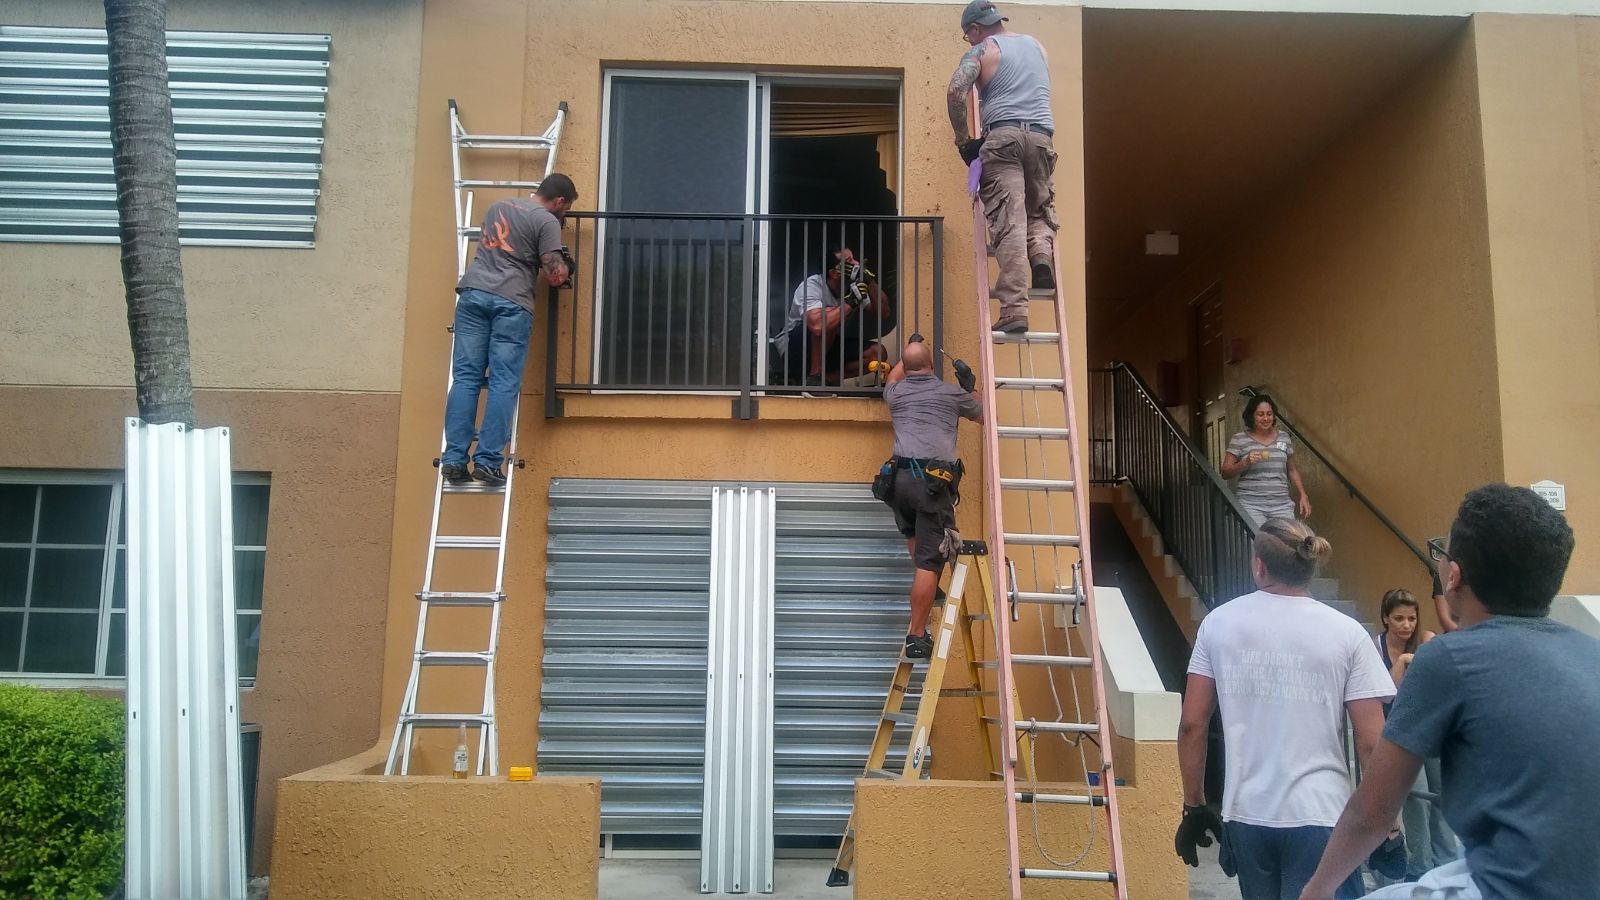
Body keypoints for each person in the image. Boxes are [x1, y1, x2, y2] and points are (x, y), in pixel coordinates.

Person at [1300, 484, 1600, 900]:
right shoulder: (1592, 651)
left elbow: (1372, 813)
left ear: (1453, 575)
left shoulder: (1448, 657)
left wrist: (1316, 889)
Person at [1175, 518, 1393, 900]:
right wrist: (1385, 825)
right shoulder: (1347, 632)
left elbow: (1193, 724)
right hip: (1321, 816)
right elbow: (1372, 743)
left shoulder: (1218, 624)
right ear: (1311, 565)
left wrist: (1193, 806)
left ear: (1259, 565)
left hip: (1246, 816)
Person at [440, 174, 577, 488]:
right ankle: (487, 462)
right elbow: (555, 275)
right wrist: (567, 265)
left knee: (466, 378)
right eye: (566, 210)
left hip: (473, 295)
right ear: (560, 202)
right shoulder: (547, 221)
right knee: (503, 383)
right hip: (510, 303)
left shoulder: (497, 206)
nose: (563, 215)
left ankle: (454, 459)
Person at [947, 0, 1057, 335]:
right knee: (1037, 209)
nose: (968, 41)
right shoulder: (1036, 45)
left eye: (967, 35)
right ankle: (1041, 260)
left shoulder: (982, 51)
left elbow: (955, 92)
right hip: (1041, 138)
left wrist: (964, 141)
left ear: (976, 29)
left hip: (1004, 138)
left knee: (1010, 222)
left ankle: (1014, 309)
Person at [879, 340, 981, 658]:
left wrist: (912, 344)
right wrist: (969, 385)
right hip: (930, 484)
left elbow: (893, 377)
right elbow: (984, 413)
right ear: (933, 367)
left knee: (912, 532)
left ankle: (928, 588)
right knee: (929, 562)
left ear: (906, 367)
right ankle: (917, 634)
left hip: (898, 481)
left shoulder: (895, 394)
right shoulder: (951, 394)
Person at [1372, 589, 1457, 881]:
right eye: (1398, 618)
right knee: (1416, 800)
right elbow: (1384, 697)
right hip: (1401, 736)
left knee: (1443, 797)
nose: (1406, 625)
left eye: (1411, 618)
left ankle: (1446, 863)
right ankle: (1419, 867)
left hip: (1433, 730)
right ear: (1385, 618)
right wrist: (1400, 663)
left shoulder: (1427, 641)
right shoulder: (1376, 647)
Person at [771, 247, 896, 386]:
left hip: (826, 347)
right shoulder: (811, 285)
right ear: (834, 273)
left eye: (854, 258)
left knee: (877, 353)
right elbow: (817, 326)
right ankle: (815, 378)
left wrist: (869, 281)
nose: (856, 264)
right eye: (849, 261)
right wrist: (850, 303)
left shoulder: (852, 285)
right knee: (827, 318)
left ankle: (827, 379)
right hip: (793, 350)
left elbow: (884, 312)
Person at [1220, 394, 1311, 527]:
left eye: (1269, 414)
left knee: (1285, 545)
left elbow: (1292, 470)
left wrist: (1303, 495)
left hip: (1281, 505)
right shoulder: (1239, 439)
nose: (1265, 418)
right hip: (1251, 505)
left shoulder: (1284, 438)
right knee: (1255, 544)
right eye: (1260, 414)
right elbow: (1225, 472)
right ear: (1252, 416)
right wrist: (1245, 462)